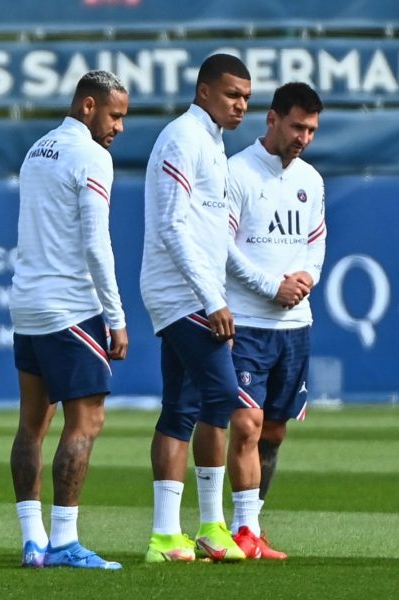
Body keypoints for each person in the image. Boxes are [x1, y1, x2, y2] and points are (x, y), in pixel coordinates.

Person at [9, 70, 130, 570]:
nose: (119, 127)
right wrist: (116, 316)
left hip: (28, 305)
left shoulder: (37, 150)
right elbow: (96, 245)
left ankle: (32, 540)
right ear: (87, 106)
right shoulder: (92, 157)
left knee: (32, 424)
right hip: (72, 308)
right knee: (87, 420)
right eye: (115, 114)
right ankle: (64, 541)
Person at [139, 53, 252, 563]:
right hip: (181, 294)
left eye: (247, 97)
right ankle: (211, 525)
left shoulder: (212, 143)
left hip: (196, 292)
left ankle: (167, 535)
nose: (241, 105)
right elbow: (170, 225)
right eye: (232, 94)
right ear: (204, 90)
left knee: (182, 408)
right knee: (224, 395)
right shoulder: (182, 137)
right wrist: (212, 300)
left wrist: (261, 282)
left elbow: (215, 238)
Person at [224, 82, 326, 559]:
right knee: (246, 423)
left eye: (310, 129)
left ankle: (253, 526)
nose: (303, 137)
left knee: (275, 432)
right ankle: (240, 530)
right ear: (272, 119)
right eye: (296, 126)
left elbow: (316, 243)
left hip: (295, 327)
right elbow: (221, 250)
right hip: (246, 322)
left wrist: (307, 276)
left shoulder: (312, 180)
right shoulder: (237, 173)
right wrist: (272, 287)